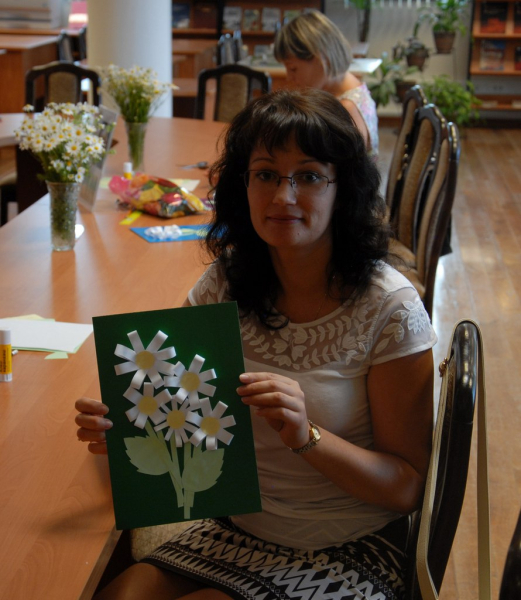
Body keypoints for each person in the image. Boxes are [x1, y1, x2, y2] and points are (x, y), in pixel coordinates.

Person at [75, 88, 436, 600]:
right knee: (119, 594)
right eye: (266, 174)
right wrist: (125, 424)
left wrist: (306, 435)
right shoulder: (225, 284)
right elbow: (181, 416)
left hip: (352, 541)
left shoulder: (388, 307)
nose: (283, 196)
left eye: (309, 176)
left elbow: (407, 487)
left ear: (343, 189)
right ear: (242, 185)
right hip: (240, 527)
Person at [274, 10, 379, 157]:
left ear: (322, 58)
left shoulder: (347, 109)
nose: (289, 77)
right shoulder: (353, 88)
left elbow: (343, 168)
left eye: (293, 69)